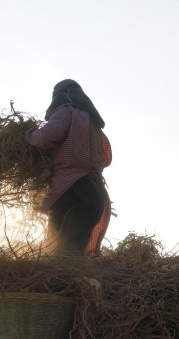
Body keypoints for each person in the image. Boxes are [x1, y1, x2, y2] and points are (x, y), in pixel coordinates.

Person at [26, 79, 113, 257]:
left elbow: (45, 137)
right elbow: (106, 158)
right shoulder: (95, 128)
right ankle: (81, 281)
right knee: (74, 249)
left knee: (63, 252)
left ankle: (65, 283)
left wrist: (29, 134)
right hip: (95, 193)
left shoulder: (67, 112)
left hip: (73, 190)